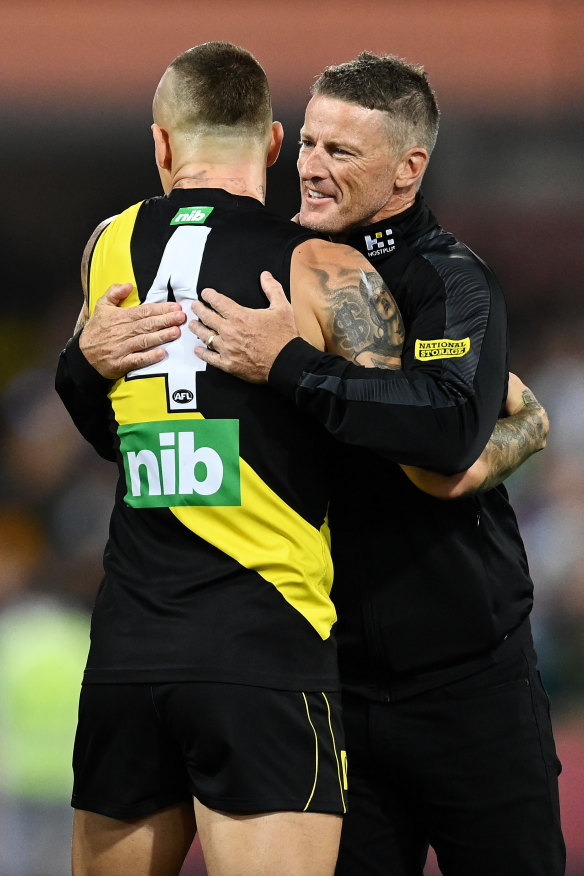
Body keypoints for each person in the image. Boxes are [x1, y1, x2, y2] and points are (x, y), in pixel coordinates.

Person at [55, 53, 561, 876]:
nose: (314, 169)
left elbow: (446, 451)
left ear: (408, 170)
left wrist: (289, 363)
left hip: (465, 678)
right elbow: (137, 432)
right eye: (311, 145)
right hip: (328, 673)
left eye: (342, 153)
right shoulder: (291, 264)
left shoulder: (446, 282)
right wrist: (83, 362)